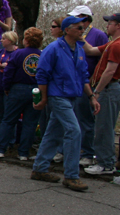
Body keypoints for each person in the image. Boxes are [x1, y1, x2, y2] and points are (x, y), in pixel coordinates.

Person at [31, 15, 99, 191]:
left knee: (54, 132)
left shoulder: (79, 50)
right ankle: (71, 175)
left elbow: (83, 76)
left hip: (72, 97)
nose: (82, 30)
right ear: (67, 30)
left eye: (83, 27)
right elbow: (42, 74)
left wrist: (91, 97)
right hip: (58, 96)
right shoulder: (53, 49)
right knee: (74, 131)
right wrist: (44, 97)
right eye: (78, 27)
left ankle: (39, 168)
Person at [0, 28, 42, 161]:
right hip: (36, 89)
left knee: (8, 120)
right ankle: (23, 152)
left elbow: (8, 72)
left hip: (18, 89)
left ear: (26, 40)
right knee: (30, 123)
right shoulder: (42, 55)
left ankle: (0, 149)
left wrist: (6, 87)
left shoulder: (18, 54)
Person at [82, 13, 120, 177]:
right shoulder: (110, 44)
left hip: (109, 89)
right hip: (106, 89)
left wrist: (96, 92)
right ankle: (105, 160)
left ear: (118, 25)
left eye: (110, 23)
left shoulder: (117, 45)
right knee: (101, 125)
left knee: (104, 126)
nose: (107, 26)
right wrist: (79, 36)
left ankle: (106, 164)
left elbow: (110, 70)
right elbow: (90, 50)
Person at [68, 5, 107, 167]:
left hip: (88, 84)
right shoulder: (72, 35)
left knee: (86, 120)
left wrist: (93, 81)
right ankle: (74, 151)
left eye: (78, 18)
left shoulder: (98, 35)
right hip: (73, 83)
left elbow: (103, 60)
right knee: (74, 119)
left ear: (85, 19)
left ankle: (88, 153)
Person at [0, 31, 18, 139]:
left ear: (10, 40)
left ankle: (10, 139)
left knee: (9, 115)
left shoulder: (17, 53)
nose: (1, 41)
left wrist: (7, 66)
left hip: (10, 88)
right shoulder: (0, 52)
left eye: (3, 39)